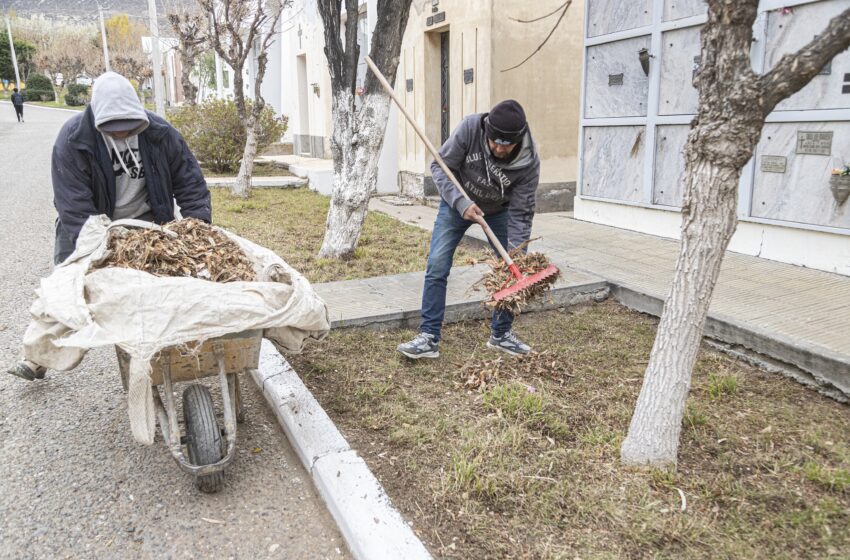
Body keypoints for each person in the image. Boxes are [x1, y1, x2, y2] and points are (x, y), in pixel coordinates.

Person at [7, 71, 212, 382]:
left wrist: (197, 230)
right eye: (113, 129)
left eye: (128, 127)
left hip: (146, 223)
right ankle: (37, 356)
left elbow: (190, 184)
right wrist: (100, 248)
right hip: (87, 226)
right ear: (97, 118)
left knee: (161, 288)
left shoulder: (160, 133)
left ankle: (161, 348)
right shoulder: (74, 139)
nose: (121, 133)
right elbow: (73, 206)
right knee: (71, 290)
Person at [397, 99, 540, 360]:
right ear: (486, 131)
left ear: (518, 140)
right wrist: (461, 203)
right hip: (457, 204)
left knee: (509, 267)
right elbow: (440, 167)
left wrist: (517, 254)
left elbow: (522, 213)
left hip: (499, 212)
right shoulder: (471, 128)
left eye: (506, 145)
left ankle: (501, 334)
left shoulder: (528, 162)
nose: (498, 148)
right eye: (494, 142)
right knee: (437, 265)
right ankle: (429, 337)